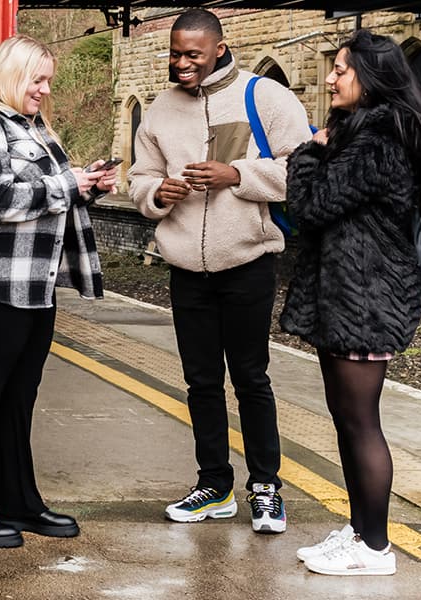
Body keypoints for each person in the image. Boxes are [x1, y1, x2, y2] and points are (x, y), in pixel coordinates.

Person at [127, 8, 312, 534]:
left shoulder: (265, 96)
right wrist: (156, 194)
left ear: (219, 47)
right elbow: (139, 176)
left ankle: (266, 487)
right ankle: (214, 484)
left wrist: (237, 173)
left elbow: (303, 171)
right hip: (185, 266)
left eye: (193, 55)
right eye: (175, 53)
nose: (182, 64)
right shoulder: (160, 109)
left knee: (252, 378)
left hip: (248, 260)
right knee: (200, 381)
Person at [0, 36, 113, 549]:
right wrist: (69, 184)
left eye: (47, 80)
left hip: (33, 283)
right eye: (37, 80)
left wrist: (87, 185)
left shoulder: (30, 127)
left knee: (17, 396)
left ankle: (17, 501)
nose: (45, 90)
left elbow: (46, 200)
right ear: (11, 76)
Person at [283, 30, 421, 577]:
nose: (332, 78)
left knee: (360, 423)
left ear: (371, 78)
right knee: (347, 420)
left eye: (341, 69)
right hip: (353, 296)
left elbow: (309, 208)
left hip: (366, 300)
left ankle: (375, 547)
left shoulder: (377, 141)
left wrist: (308, 152)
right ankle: (360, 531)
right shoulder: (366, 135)